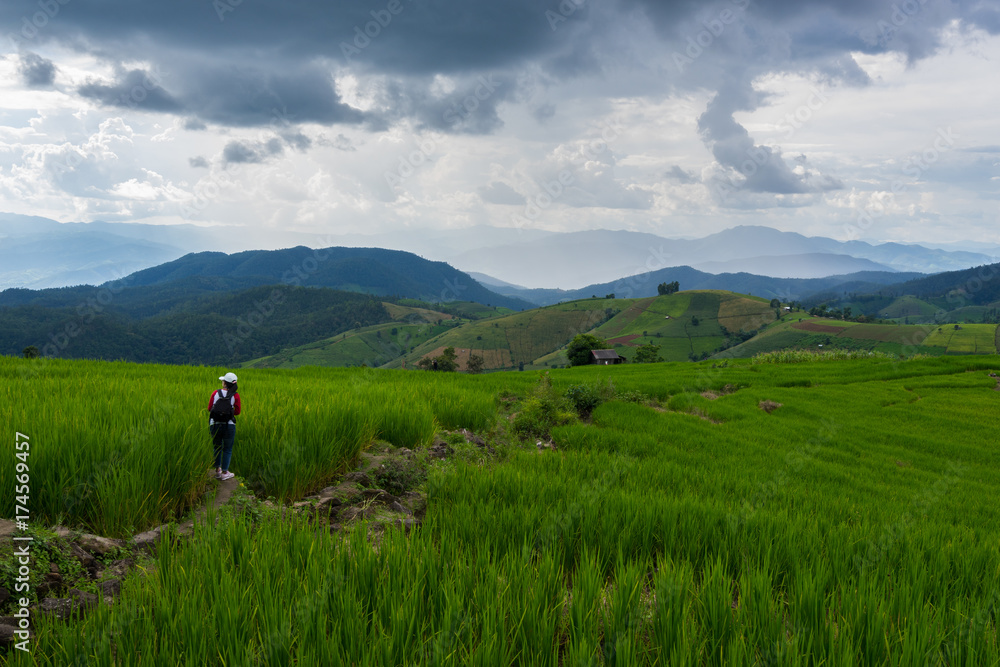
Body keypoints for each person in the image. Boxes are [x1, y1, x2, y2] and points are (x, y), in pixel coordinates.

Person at [208, 372, 241, 481]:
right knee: (227, 449)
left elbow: (209, 408)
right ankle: (225, 472)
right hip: (229, 426)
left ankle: (217, 471)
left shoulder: (215, 393)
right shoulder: (235, 395)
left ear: (225, 383)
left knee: (217, 447)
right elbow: (237, 412)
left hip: (215, 424)